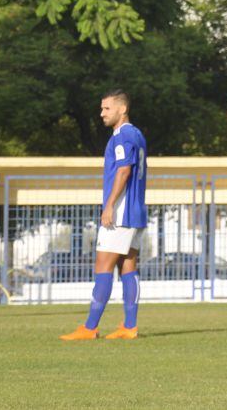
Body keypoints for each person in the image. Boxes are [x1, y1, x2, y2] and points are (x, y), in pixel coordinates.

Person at [60, 90, 147, 341]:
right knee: (127, 266)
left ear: (122, 109)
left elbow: (124, 171)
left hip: (121, 212)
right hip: (136, 210)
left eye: (107, 108)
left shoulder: (122, 135)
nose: (101, 113)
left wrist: (109, 206)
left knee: (103, 265)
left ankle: (90, 328)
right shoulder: (138, 134)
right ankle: (129, 327)